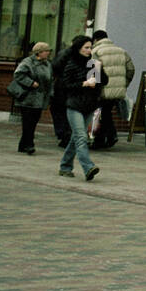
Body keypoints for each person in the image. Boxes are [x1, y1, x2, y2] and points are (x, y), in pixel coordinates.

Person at [58, 35, 106, 182]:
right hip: (74, 106)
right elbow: (65, 86)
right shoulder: (71, 64)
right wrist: (83, 84)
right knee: (81, 137)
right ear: (78, 48)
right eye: (86, 47)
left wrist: (100, 71)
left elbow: (103, 82)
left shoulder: (93, 64)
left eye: (90, 47)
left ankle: (65, 166)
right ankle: (88, 167)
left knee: (75, 138)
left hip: (90, 105)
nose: (89, 50)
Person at [90, 29, 135, 150]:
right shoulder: (121, 51)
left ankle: (105, 138)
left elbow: (94, 72)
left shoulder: (95, 51)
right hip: (118, 90)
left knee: (99, 114)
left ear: (95, 39)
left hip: (102, 90)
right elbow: (131, 69)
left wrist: (94, 87)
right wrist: (124, 84)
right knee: (106, 113)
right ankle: (108, 137)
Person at [11, 42, 53, 155]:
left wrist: (50, 94)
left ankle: (23, 145)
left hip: (40, 98)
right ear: (39, 52)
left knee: (33, 122)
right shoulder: (28, 62)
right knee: (28, 122)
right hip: (28, 98)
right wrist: (30, 83)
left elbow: (50, 80)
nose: (48, 53)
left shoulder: (47, 64)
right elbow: (18, 74)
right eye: (46, 51)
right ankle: (29, 145)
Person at [48, 38, 78, 152]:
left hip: (64, 88)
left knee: (60, 110)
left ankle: (65, 134)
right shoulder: (91, 57)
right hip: (77, 90)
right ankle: (69, 136)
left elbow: (54, 67)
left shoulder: (65, 53)